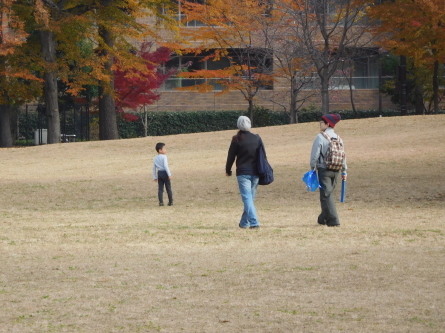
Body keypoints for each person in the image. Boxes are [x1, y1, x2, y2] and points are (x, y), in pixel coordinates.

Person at [226, 116, 263, 229]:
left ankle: (254, 222)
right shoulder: (256, 138)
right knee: (249, 199)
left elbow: (231, 156)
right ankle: (243, 223)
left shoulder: (236, 139)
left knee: (247, 199)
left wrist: (228, 169)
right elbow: (262, 156)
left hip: (243, 173)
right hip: (255, 172)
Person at [310, 114, 347, 227]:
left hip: (324, 169)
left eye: (321, 122)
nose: (320, 124)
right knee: (328, 194)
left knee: (326, 195)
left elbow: (315, 154)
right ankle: (322, 218)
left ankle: (333, 221)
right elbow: (343, 155)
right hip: (336, 169)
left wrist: (312, 167)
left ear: (327, 124)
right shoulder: (338, 138)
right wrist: (344, 171)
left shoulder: (320, 137)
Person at [153, 142, 173, 206]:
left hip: (159, 173)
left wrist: (155, 177)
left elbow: (154, 168)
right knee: (168, 188)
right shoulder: (164, 157)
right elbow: (166, 166)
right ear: (160, 150)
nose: (165, 150)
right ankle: (170, 202)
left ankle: (161, 202)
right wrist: (169, 174)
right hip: (165, 173)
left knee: (160, 189)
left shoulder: (155, 158)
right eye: (164, 148)